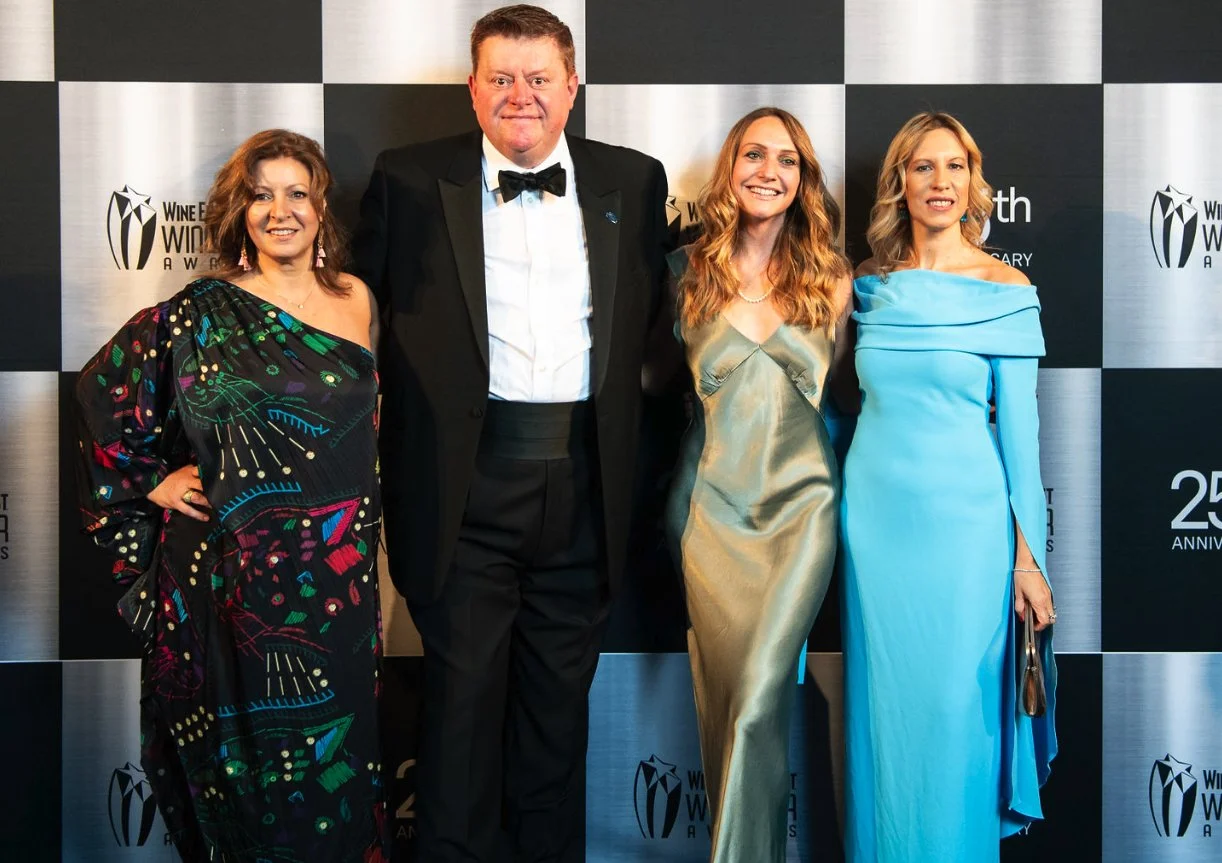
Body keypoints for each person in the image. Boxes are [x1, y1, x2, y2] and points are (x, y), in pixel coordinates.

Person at [349, 5, 670, 860]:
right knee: (457, 721)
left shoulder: (634, 183)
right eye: (501, 78)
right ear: (472, 87)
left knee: (557, 722)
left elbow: (666, 333)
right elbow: (343, 331)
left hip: (585, 488)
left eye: (538, 79)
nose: (519, 96)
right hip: (463, 491)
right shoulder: (409, 180)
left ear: (573, 87)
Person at [76, 129, 385, 861]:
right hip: (230, 584)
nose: (281, 210)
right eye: (261, 194)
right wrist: (152, 478)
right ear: (240, 212)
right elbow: (101, 388)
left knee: (335, 778)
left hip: (337, 588)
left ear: (320, 207)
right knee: (247, 778)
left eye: (296, 193)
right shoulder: (200, 311)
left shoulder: (357, 299)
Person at [841, 111, 1057, 861]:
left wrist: (1028, 560)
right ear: (899, 181)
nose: (940, 182)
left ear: (973, 183)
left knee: (954, 714)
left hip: (966, 535)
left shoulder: (1005, 288)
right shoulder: (868, 288)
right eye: (924, 167)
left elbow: (1022, 440)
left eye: (955, 167)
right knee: (884, 719)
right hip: (873, 527)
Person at [661, 107, 853, 860]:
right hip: (709, 517)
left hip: (803, 513)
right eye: (753, 154)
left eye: (787, 160)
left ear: (803, 181)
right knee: (730, 707)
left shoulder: (833, 280)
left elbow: (849, 397)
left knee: (760, 700)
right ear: (730, 168)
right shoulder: (682, 272)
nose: (768, 171)